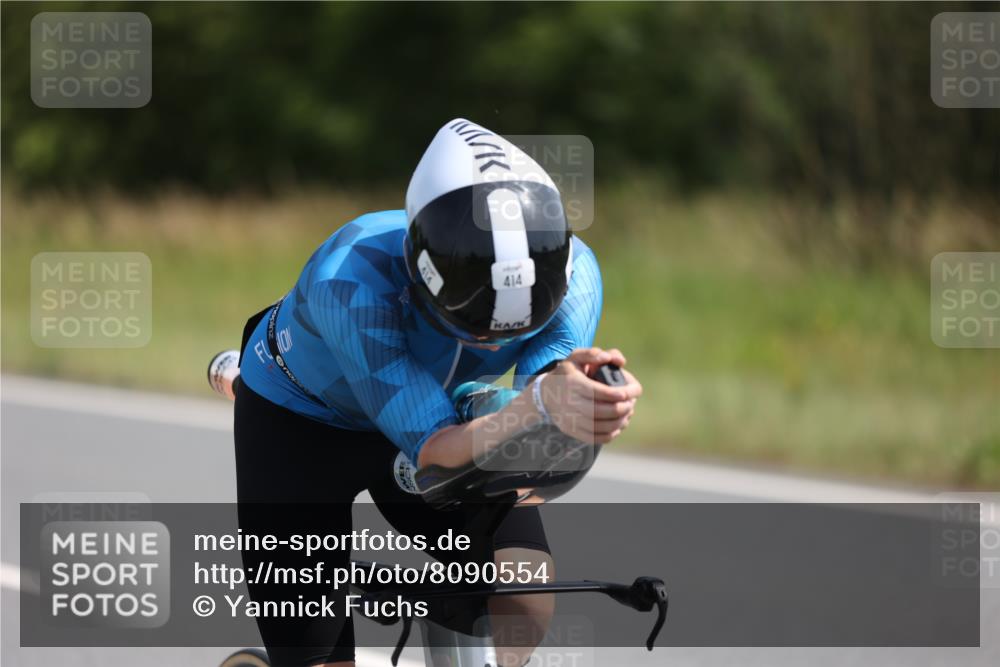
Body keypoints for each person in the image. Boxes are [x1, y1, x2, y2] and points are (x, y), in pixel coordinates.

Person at [207, 119, 643, 667]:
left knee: (525, 597)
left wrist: (576, 406)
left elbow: (533, 429)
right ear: (418, 270)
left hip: (442, 409)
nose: (489, 345)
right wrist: (538, 406)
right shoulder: (351, 277)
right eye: (469, 323)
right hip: (301, 428)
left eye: (512, 330)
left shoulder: (575, 279)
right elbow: (437, 448)